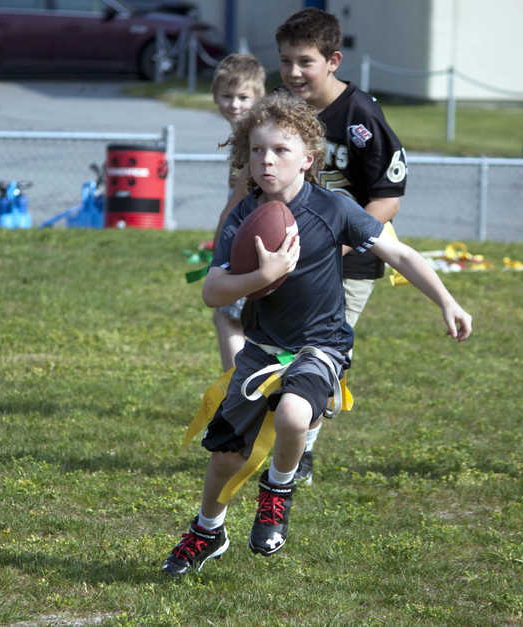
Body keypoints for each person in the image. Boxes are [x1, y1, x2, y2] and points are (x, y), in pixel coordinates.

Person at [161, 92, 471, 577]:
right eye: (258, 150)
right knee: (224, 455)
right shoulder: (245, 217)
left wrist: (447, 301)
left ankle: (277, 492)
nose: (267, 161)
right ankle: (207, 531)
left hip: (320, 344)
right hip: (262, 349)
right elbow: (213, 291)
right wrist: (261, 278)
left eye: (281, 151)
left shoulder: (335, 208)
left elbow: (402, 255)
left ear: (308, 159)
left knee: (292, 413)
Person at [213, 7, 409, 485]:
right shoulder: (281, 113)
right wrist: (227, 234)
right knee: (262, 337)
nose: (294, 72)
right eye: (285, 62)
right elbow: (250, 185)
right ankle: (270, 432)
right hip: (278, 257)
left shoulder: (361, 115)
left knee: (316, 356)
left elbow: (388, 197)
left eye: (305, 61)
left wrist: (332, 247)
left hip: (348, 260)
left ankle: (299, 455)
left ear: (333, 60)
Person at [209, 53, 266, 373]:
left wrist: (221, 240)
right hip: (255, 237)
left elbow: (240, 198)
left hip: (248, 240)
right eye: (226, 96)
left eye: (243, 97)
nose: (233, 105)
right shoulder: (247, 135)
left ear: (258, 96)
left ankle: (238, 390)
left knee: (228, 315)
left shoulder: (253, 138)